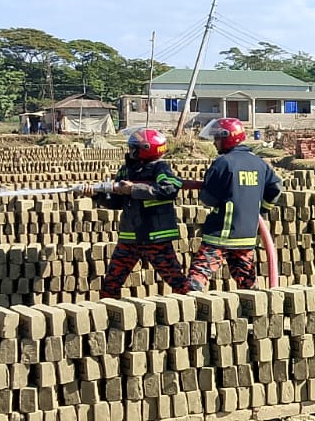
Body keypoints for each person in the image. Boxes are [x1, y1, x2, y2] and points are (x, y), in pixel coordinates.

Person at [77, 128, 189, 297]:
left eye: (133, 147)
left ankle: (192, 310)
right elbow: (115, 202)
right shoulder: (125, 171)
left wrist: (133, 189)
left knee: (177, 282)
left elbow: (169, 189)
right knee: (110, 285)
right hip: (129, 237)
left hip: (155, 237)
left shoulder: (160, 168)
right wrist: (95, 195)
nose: (130, 151)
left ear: (145, 149)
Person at [187, 117, 285, 291]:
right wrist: (261, 210)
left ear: (228, 138)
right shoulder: (259, 163)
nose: (214, 142)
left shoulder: (223, 163)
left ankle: (191, 314)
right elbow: (276, 187)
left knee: (197, 278)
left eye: (217, 138)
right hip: (246, 235)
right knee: (247, 283)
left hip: (220, 235)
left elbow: (208, 198)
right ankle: (256, 315)